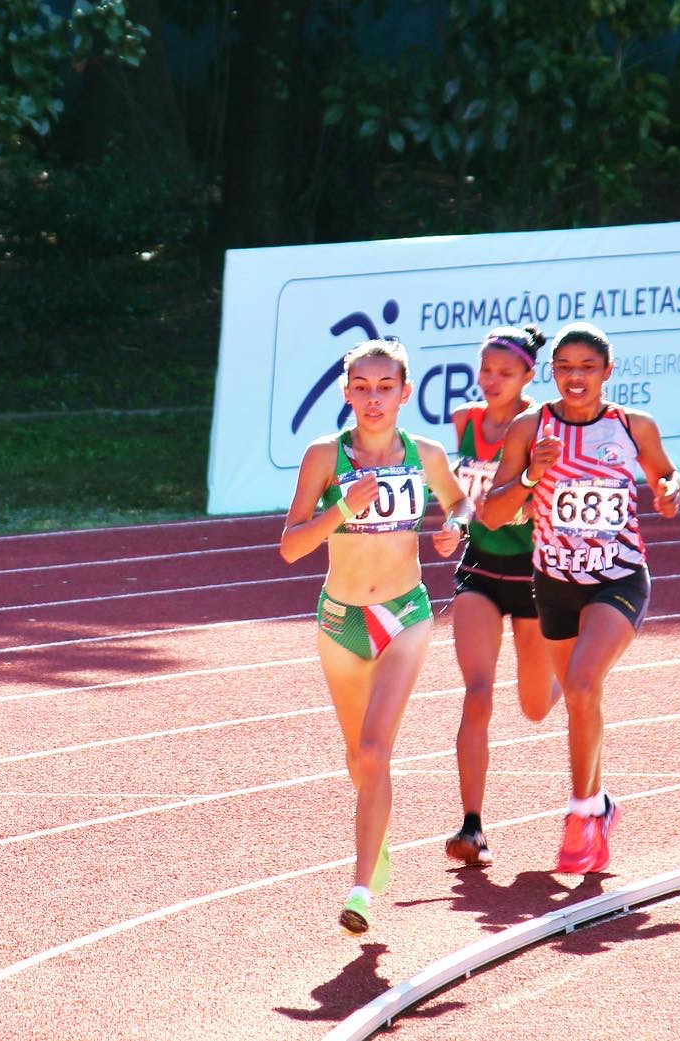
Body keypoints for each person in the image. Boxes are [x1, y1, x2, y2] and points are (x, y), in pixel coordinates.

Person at [280, 339, 471, 935]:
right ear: (346, 393)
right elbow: (291, 547)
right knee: (357, 757)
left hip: (404, 615)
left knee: (373, 749)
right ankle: (378, 839)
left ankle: (361, 889)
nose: (372, 397)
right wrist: (341, 507)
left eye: (384, 386)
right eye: (360, 386)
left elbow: (460, 504)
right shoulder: (324, 456)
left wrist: (454, 528)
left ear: (405, 393)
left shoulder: (427, 453)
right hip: (340, 620)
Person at [480, 321, 680, 874]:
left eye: (587, 368)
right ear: (553, 373)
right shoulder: (530, 427)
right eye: (565, 367)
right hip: (554, 583)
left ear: (607, 373)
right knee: (577, 698)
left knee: (582, 683)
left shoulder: (632, 426)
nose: (575, 376)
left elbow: (667, 478)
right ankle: (599, 808)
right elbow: (492, 514)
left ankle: (578, 815)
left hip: (618, 577)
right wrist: (529, 478)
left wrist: (669, 492)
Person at [443, 325, 560, 869]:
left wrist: (528, 500)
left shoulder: (542, 426)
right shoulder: (466, 420)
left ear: (528, 378)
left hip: (533, 575)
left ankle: (580, 674)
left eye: (505, 374)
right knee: (478, 693)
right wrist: (453, 523)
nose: (491, 381)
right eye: (486, 370)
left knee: (535, 707)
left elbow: (550, 501)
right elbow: (462, 497)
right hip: (481, 571)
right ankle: (472, 826)